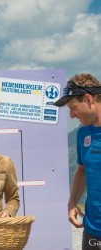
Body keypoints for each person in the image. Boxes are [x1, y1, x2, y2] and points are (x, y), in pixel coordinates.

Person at [54, 73, 101, 249]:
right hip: (92, 229)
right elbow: (82, 170)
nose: (72, 115)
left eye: (73, 108)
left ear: (89, 99)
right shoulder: (83, 134)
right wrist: (72, 202)